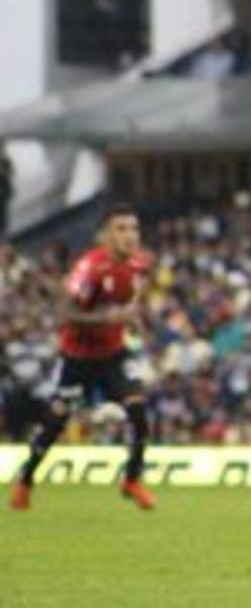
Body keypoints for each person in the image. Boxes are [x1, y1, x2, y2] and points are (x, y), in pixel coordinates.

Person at [8, 203, 157, 511]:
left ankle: (132, 479)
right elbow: (67, 314)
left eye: (134, 229)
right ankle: (25, 479)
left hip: (114, 353)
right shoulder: (90, 268)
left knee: (139, 411)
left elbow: (128, 301)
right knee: (56, 421)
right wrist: (112, 317)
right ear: (105, 235)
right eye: (121, 229)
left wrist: (133, 319)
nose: (130, 236)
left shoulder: (140, 264)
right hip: (79, 356)